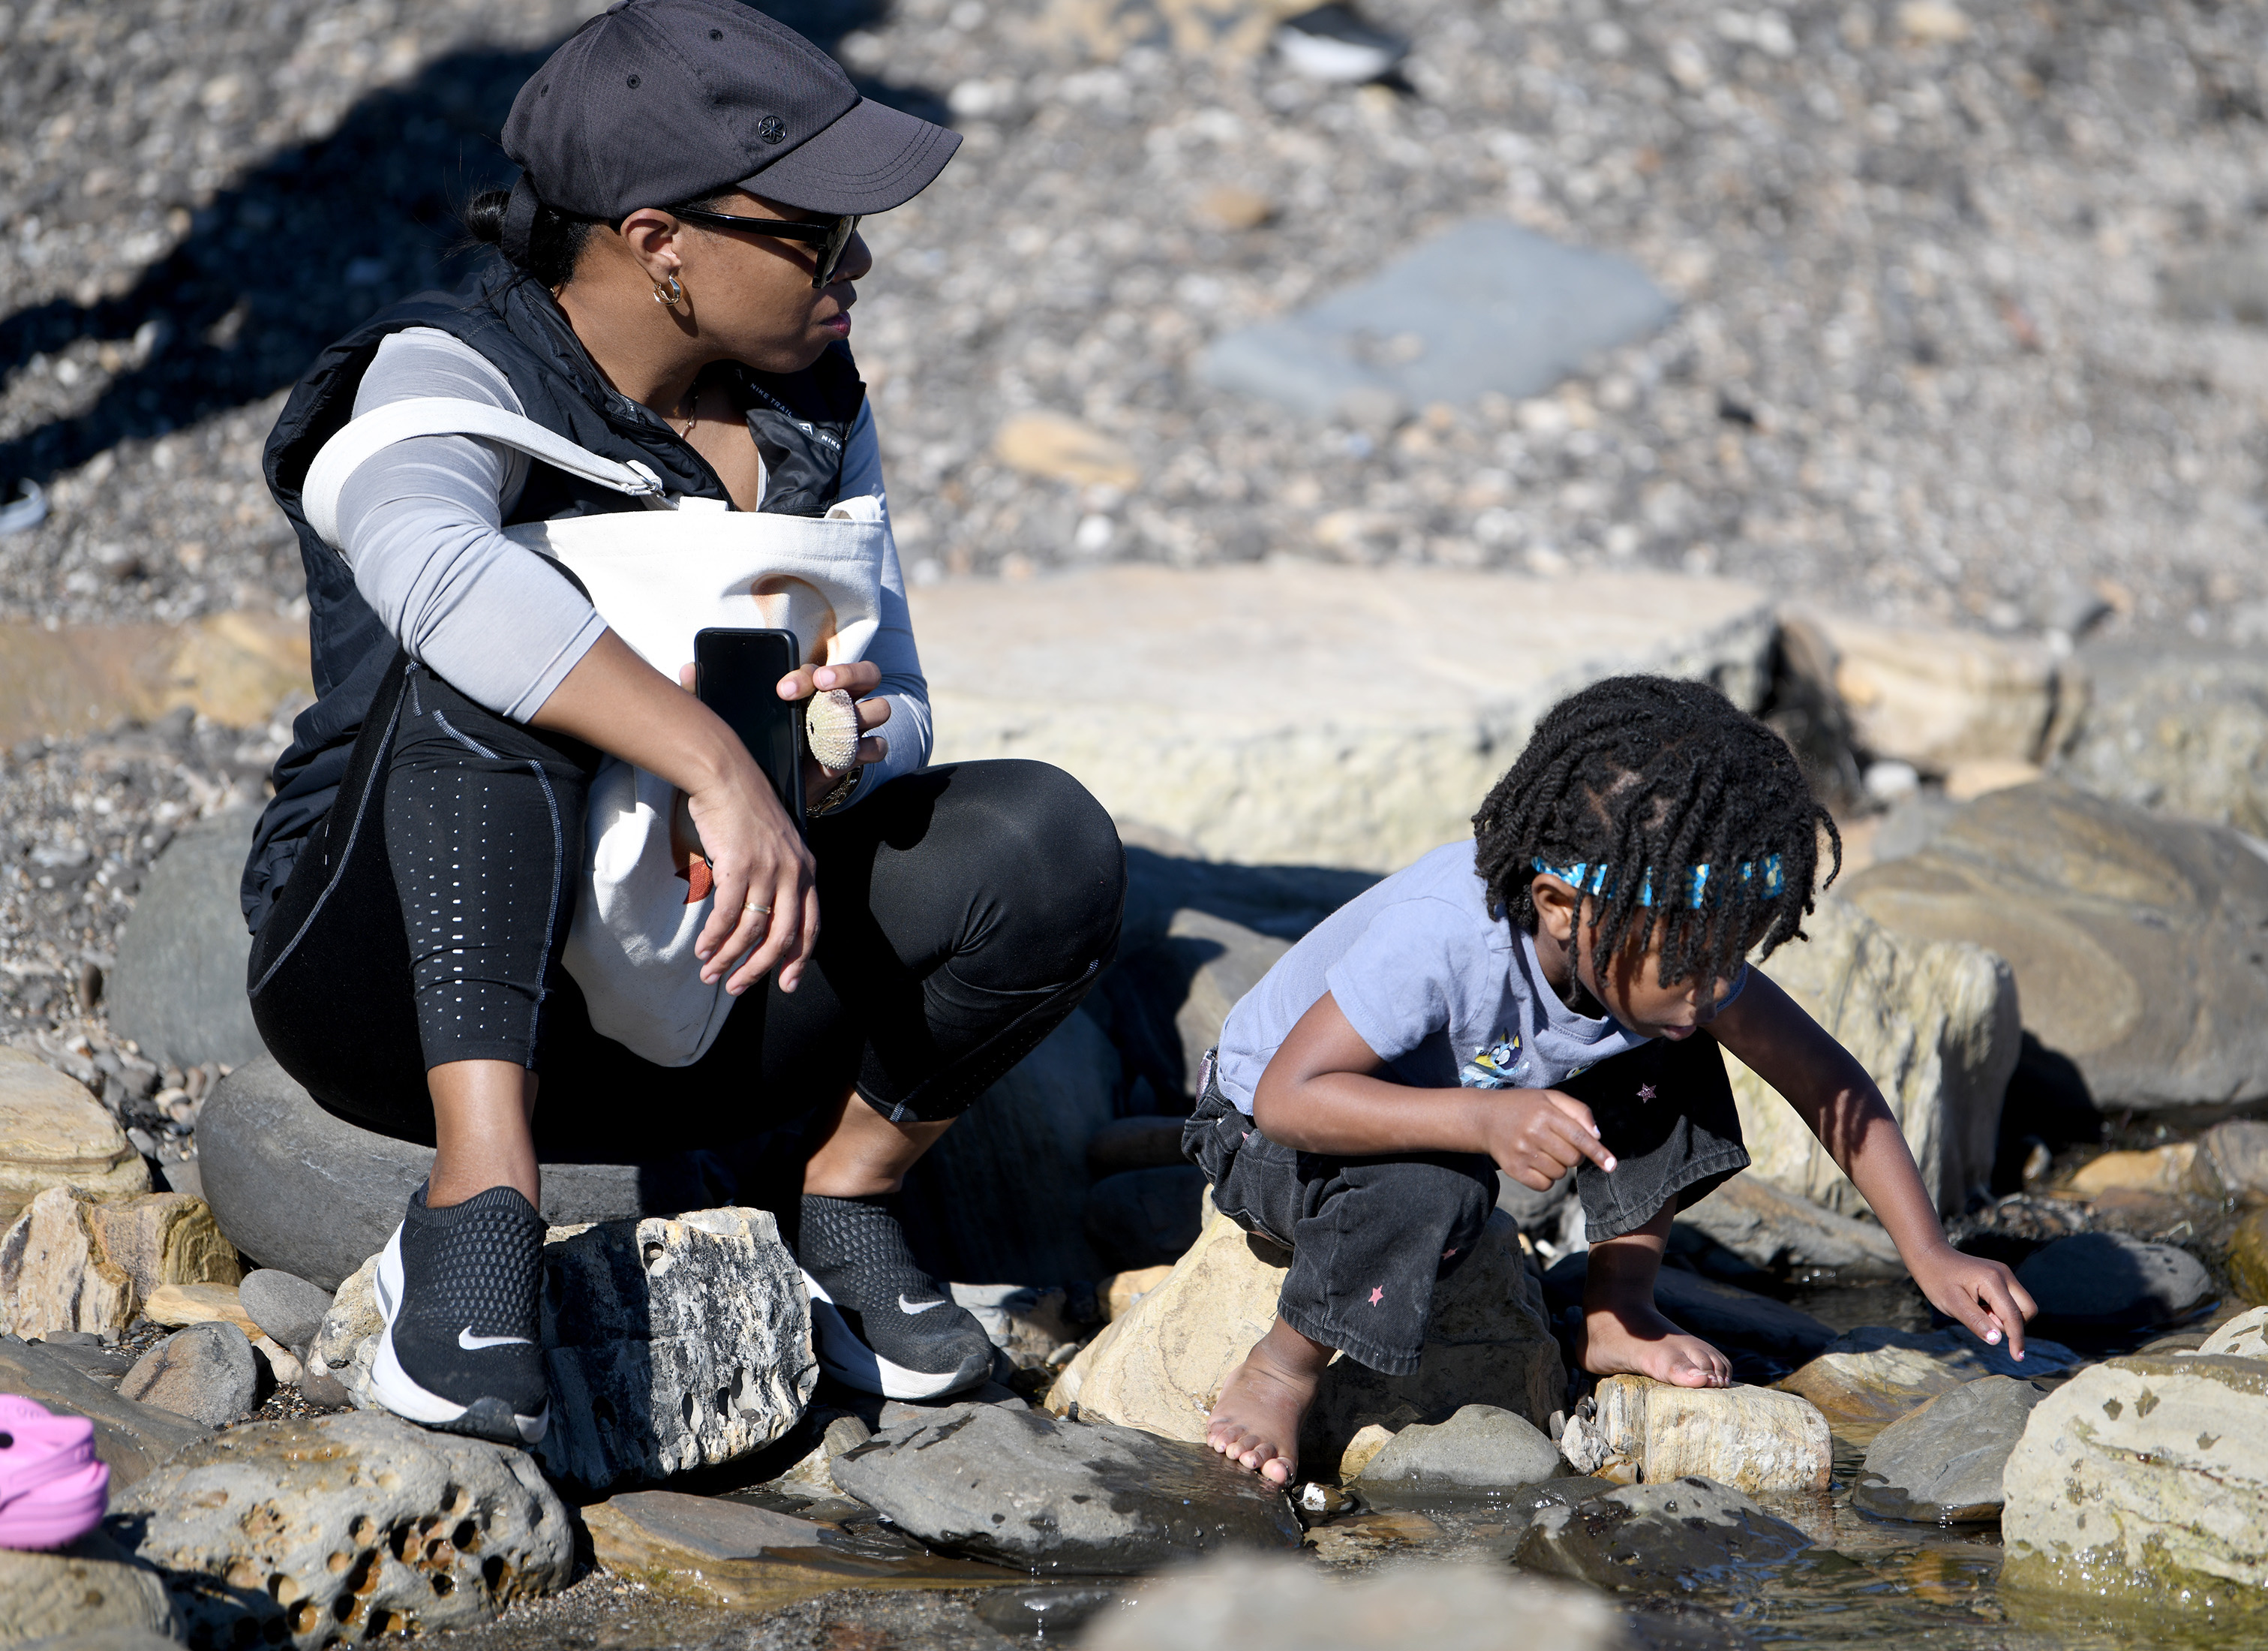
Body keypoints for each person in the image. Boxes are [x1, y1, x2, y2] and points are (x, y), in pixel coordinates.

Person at [242, 0, 1123, 1445]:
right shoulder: (447, 370)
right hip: (404, 988)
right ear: (660, 244)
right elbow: (426, 562)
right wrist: (713, 756)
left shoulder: (811, 403)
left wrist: (853, 741)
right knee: (486, 652)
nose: (862, 265)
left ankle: (844, 1206)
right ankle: (478, 1207)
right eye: (820, 237)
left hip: (709, 974)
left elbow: (900, 686)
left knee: (1047, 839)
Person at [1185, 674, 2038, 1485]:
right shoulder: (1442, 936)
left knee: (1671, 1049)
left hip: (1414, 1108)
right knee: (1431, 1188)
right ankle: (1281, 1368)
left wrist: (1926, 1251)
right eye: (1689, 961)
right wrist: (1484, 1125)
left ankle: (1617, 1310)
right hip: (1267, 1136)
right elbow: (1287, 1100)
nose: (1712, 988)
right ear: (1560, 905)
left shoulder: (1667, 963)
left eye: (1729, 958)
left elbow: (1825, 1080)